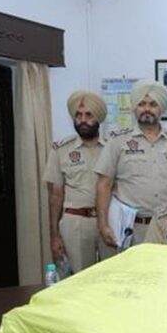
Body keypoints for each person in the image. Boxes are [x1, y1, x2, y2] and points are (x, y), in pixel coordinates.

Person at [94, 79, 167, 255]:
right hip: (131, 228)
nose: (147, 109)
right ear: (134, 108)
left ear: (162, 109)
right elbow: (104, 185)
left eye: (153, 104)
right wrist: (103, 224)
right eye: (141, 104)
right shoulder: (118, 141)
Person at [42, 91, 107, 273]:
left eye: (88, 115)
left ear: (98, 118)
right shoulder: (61, 149)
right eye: (78, 115)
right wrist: (54, 236)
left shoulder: (113, 147)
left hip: (108, 222)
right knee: (80, 279)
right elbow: (55, 195)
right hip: (76, 223)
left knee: (112, 277)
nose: (82, 120)